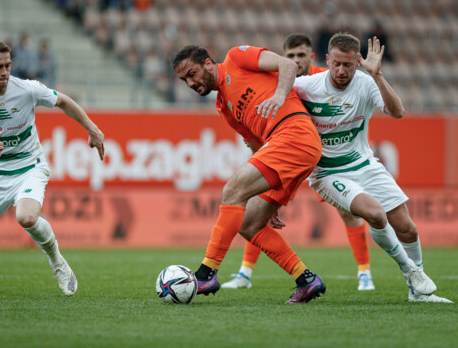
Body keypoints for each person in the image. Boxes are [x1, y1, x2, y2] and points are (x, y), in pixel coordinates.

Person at [292, 32, 452, 303]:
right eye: (337, 64)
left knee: (408, 228)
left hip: (365, 163)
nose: (341, 71)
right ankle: (411, 271)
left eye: (348, 65)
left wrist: (377, 75)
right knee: (376, 215)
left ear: (357, 62)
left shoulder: (366, 83)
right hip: (328, 173)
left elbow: (398, 111)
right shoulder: (306, 86)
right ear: (328, 60)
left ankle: (418, 294)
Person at [172, 44, 326, 304]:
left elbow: (287, 65)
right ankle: (306, 279)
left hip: (294, 134)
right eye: (184, 79)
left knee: (231, 191)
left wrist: (279, 96)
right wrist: (266, 189)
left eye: (192, 73)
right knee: (249, 223)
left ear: (208, 64)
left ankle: (206, 272)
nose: (190, 82)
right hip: (286, 147)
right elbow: (256, 144)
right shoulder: (224, 106)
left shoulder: (236, 58)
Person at [222, 33, 375, 291]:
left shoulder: (324, 79)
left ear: (312, 57)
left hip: (326, 157)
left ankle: (364, 272)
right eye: (290, 56)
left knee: (347, 211)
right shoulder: (279, 83)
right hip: (292, 153)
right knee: (257, 210)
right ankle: (245, 273)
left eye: (301, 55)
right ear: (284, 57)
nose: (296, 59)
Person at [0, 37, 105, 298]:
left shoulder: (25, 89)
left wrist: (92, 129)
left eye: (8, 65)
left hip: (28, 167)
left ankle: (58, 262)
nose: (4, 72)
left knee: (26, 217)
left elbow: (63, 101)